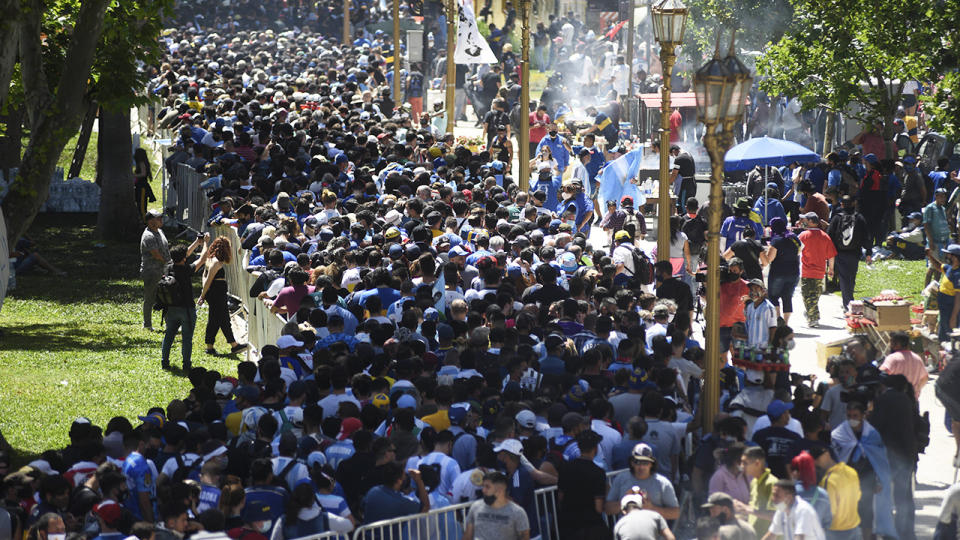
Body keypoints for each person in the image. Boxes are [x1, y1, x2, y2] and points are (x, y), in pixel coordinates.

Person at [830, 402, 897, 540]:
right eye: (849, 415)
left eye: (855, 415)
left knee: (866, 513)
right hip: (845, 480)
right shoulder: (839, 434)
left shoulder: (872, 434)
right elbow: (835, 458)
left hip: (867, 478)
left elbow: (880, 459)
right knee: (846, 511)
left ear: (863, 416)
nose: (852, 418)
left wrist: (879, 480)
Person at [161, 235, 207, 371]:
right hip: (186, 309)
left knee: (169, 335)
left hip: (170, 308)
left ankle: (165, 361)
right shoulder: (187, 270)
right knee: (186, 338)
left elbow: (181, 255)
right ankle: (186, 364)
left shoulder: (169, 267)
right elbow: (203, 258)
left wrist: (196, 243)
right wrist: (205, 243)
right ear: (184, 259)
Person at [198, 236, 247, 355]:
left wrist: (204, 293)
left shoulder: (211, 260)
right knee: (216, 320)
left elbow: (204, 277)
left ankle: (232, 345)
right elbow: (208, 280)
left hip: (215, 293)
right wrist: (202, 296)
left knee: (222, 319)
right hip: (216, 294)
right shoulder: (216, 263)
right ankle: (212, 347)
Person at [606, 443, 679, 519]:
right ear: (632, 463)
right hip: (627, 529)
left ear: (651, 464)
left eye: (645, 463)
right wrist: (625, 502)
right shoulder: (621, 479)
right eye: (637, 462)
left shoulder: (663, 483)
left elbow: (675, 513)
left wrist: (651, 508)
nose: (641, 467)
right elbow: (608, 509)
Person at [557, 430, 607, 539]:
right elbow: (599, 507)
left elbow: (560, 497)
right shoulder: (598, 472)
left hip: (568, 526)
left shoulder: (565, 468)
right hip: (590, 528)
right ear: (595, 448)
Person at [826, 195, 871, 311]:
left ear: (842, 205)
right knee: (851, 277)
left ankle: (848, 303)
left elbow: (829, 236)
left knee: (844, 278)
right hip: (854, 253)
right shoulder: (859, 218)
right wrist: (869, 252)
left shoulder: (837, 218)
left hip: (839, 253)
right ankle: (849, 301)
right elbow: (866, 237)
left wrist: (828, 254)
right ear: (854, 203)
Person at [463, 471, 530, 540]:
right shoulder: (475, 507)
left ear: (500, 490)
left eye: (487, 487)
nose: (483, 490)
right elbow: (467, 536)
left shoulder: (517, 513)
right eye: (483, 486)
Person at [798, 212, 837, 328]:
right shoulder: (825, 236)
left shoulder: (803, 236)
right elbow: (831, 255)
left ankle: (813, 318)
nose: (803, 222)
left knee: (806, 295)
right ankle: (812, 314)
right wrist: (831, 269)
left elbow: (796, 251)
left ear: (810, 222)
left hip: (806, 271)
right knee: (815, 295)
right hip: (820, 272)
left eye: (805, 220)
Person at [761, 479, 826, 540]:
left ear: (789, 497)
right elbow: (771, 535)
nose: (773, 499)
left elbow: (799, 537)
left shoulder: (803, 510)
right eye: (773, 495)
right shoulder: (781, 510)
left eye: (777, 496)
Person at [140, 209, 170, 331]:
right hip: (151, 272)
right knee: (150, 298)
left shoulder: (160, 231)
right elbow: (156, 255)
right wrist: (169, 263)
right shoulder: (148, 236)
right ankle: (147, 325)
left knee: (167, 297)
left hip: (162, 270)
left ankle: (169, 324)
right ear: (151, 221)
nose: (161, 220)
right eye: (158, 218)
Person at [878, 331, 928, 399]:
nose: (890, 345)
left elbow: (881, 374)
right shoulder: (917, 358)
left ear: (896, 344)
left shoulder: (892, 358)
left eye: (891, 343)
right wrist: (916, 390)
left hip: (895, 401)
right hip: (912, 402)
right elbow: (925, 378)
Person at [744, 279, 777, 348]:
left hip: (763, 348)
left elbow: (773, 328)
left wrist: (769, 346)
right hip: (750, 347)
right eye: (751, 289)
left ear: (763, 291)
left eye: (756, 289)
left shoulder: (769, 308)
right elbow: (747, 326)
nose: (753, 292)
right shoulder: (749, 307)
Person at [669, 145, 697, 215]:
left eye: (672, 155)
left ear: (673, 151)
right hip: (692, 184)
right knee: (690, 205)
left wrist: (667, 183)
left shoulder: (678, 159)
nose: (673, 157)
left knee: (683, 206)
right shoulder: (688, 154)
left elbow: (674, 174)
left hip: (685, 186)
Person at [133, 148, 156, 221]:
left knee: (142, 206)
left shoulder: (141, 163)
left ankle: (144, 221)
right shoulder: (142, 163)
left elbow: (143, 174)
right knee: (140, 205)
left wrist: (134, 175)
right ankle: (142, 219)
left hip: (142, 187)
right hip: (139, 186)